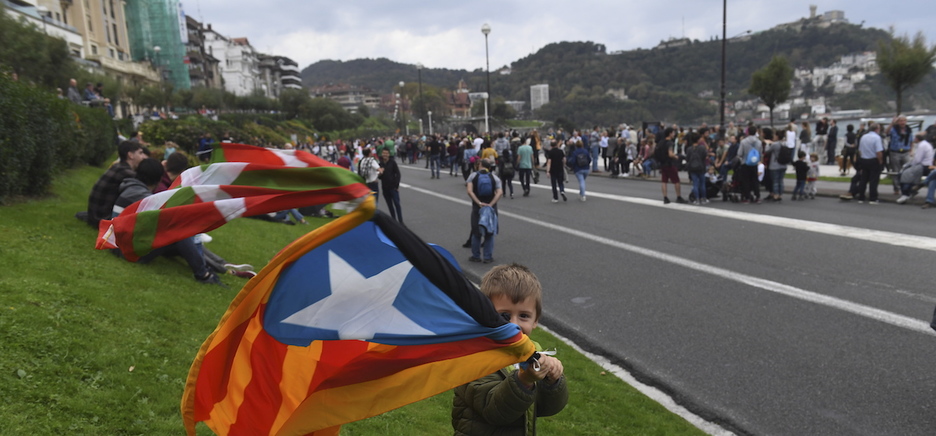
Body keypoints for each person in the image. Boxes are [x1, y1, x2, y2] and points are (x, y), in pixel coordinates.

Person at [452, 263, 568, 435]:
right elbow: (494, 411)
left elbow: (545, 408)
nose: (514, 325)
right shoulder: (474, 355)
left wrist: (553, 382)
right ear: (485, 315)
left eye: (524, 316)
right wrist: (524, 380)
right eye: (504, 316)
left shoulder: (533, 351)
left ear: (535, 320)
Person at [83, 141, 146, 227]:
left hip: (95, 216)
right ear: (130, 155)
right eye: (140, 153)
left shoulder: (118, 167)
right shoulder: (127, 174)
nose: (143, 157)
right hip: (103, 219)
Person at [466, 159, 502, 263]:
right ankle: (488, 257)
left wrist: (479, 203)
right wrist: (491, 204)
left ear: (479, 165)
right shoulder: (494, 177)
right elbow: (499, 192)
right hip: (491, 207)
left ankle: (476, 256)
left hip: (478, 207)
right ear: (489, 167)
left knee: (476, 232)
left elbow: (469, 191)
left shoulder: (473, 176)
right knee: (489, 231)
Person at [897, 133, 934, 204]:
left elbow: (917, 160)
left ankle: (905, 193)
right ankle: (911, 191)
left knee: (904, 173)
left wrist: (908, 165)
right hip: (926, 166)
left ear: (917, 139)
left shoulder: (921, 146)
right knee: (908, 173)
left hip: (923, 166)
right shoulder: (926, 144)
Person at [855, 122, 884, 204]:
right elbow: (878, 151)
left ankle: (861, 197)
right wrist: (880, 161)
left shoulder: (863, 136)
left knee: (863, 179)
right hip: (873, 160)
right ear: (877, 129)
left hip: (864, 159)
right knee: (873, 180)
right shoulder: (877, 138)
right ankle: (873, 198)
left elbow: (860, 150)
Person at [656, 127, 687, 204]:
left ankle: (665, 197)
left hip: (662, 164)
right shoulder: (670, 142)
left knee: (664, 181)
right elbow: (670, 154)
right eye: (673, 133)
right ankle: (678, 196)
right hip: (669, 164)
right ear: (670, 133)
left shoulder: (661, 142)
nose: (674, 134)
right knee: (676, 180)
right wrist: (676, 157)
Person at [887, 115, 914, 195]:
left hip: (905, 152)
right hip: (895, 152)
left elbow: (911, 141)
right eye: (901, 121)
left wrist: (911, 151)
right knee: (896, 171)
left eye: (904, 121)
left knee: (907, 170)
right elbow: (886, 132)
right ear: (898, 122)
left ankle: (906, 188)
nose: (902, 122)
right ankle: (896, 188)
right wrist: (892, 123)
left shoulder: (908, 130)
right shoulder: (893, 129)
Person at [737, 127, 763, 204]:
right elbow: (760, 153)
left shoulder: (744, 142)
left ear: (748, 133)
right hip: (755, 163)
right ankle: (757, 196)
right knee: (755, 180)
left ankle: (747, 197)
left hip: (745, 162)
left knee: (746, 180)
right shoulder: (759, 142)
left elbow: (739, 153)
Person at [378, 148, 403, 223]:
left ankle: (401, 221)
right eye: (383, 153)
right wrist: (380, 173)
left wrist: (397, 185)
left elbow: (398, 174)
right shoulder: (380, 164)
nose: (385, 155)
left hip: (393, 187)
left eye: (386, 153)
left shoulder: (392, 162)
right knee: (390, 205)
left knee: (397, 204)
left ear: (389, 154)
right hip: (385, 187)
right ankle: (394, 221)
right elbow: (379, 177)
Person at [686, 132, 709, 204]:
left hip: (692, 168)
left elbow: (687, 158)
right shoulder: (702, 148)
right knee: (702, 183)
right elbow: (705, 156)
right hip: (701, 167)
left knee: (695, 184)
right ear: (698, 140)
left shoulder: (689, 149)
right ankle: (704, 198)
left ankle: (697, 199)